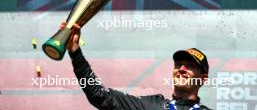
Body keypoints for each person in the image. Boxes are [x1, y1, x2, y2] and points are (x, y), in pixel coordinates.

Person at [61, 22, 212, 110]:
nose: (181, 69)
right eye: (178, 64)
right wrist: (75, 53)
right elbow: (99, 95)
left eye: (190, 66)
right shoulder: (148, 105)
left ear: (203, 78)